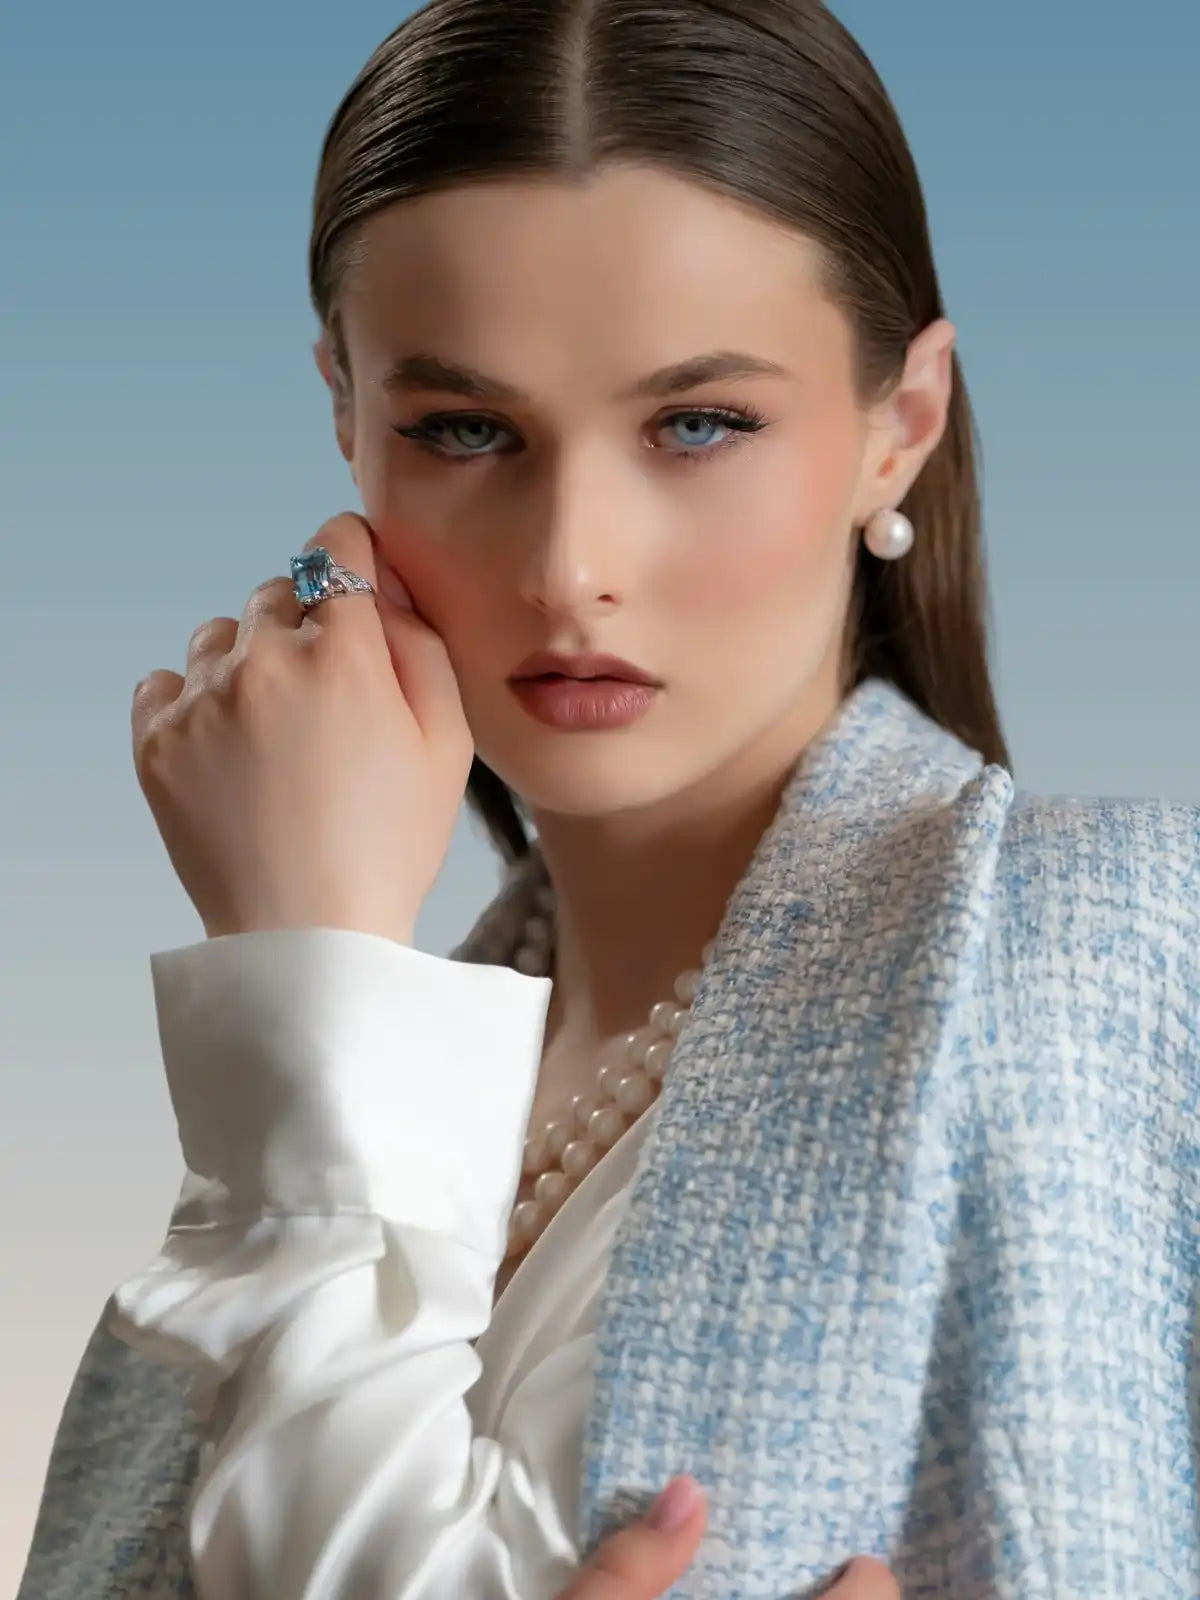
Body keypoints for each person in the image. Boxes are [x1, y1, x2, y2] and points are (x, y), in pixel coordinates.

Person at [17, 1, 1199, 1597]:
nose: (573, 565)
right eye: (464, 430)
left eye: (698, 425)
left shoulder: (1096, 949)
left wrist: (307, 959)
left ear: (895, 430)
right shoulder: (403, 1047)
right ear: (344, 424)